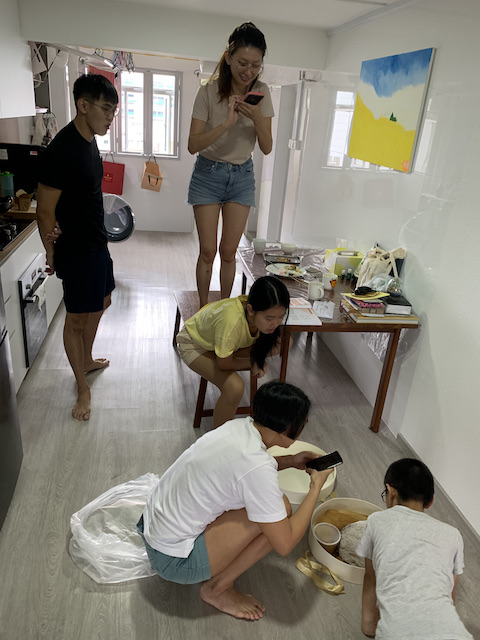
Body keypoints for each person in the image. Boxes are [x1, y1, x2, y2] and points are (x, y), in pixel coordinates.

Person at [138, 380, 333, 620]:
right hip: (173, 560)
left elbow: (242, 470)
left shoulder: (238, 427)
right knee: (281, 511)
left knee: (269, 506)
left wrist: (291, 461)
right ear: (289, 428)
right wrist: (316, 487)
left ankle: (213, 575)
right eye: (303, 423)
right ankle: (217, 589)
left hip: (152, 526)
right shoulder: (257, 466)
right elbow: (285, 544)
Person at [36, 74, 119, 422]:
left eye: (114, 111)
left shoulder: (89, 141)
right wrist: (51, 250)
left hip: (96, 242)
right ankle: (82, 387)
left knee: (103, 300)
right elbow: (44, 209)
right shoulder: (62, 150)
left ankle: (85, 358)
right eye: (105, 109)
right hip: (76, 250)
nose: (110, 117)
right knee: (76, 319)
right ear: (83, 105)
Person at [187, 22, 274, 309]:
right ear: (228, 57)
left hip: (242, 176)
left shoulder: (262, 92)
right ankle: (203, 310)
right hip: (207, 174)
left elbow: (267, 147)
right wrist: (226, 123)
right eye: (242, 63)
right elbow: (193, 144)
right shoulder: (208, 91)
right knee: (207, 251)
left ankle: (223, 310)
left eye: (256, 65)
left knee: (228, 252)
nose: (248, 71)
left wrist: (257, 118)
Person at [356, 458, 473, 639]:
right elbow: (450, 592)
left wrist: (368, 624)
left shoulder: (376, 521)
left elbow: (371, 578)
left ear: (390, 493)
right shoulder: (453, 534)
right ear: (430, 502)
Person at [176, 275, 290, 428]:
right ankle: (220, 437)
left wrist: (255, 359)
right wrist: (253, 362)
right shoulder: (231, 321)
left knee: (285, 342)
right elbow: (223, 364)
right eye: (269, 318)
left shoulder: (254, 312)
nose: (275, 324)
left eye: (281, 317)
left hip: (221, 341)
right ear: (250, 310)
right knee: (234, 387)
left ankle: (227, 351)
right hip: (195, 344)